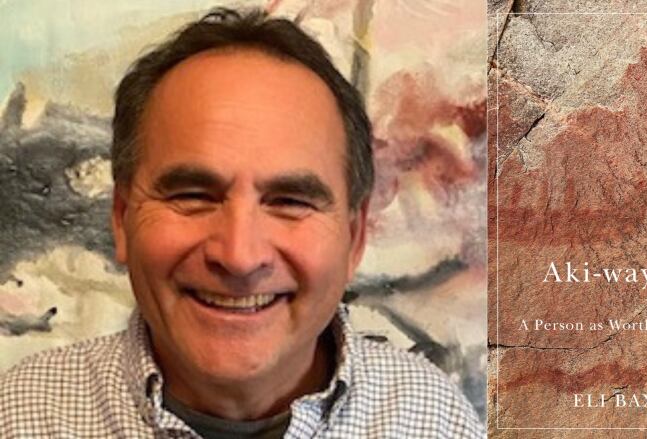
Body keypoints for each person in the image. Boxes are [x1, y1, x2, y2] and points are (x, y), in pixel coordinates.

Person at [0, 7, 483, 439]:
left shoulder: (433, 419)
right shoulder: (20, 415)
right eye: (192, 195)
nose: (239, 255)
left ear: (354, 238)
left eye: (290, 201)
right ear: (123, 220)